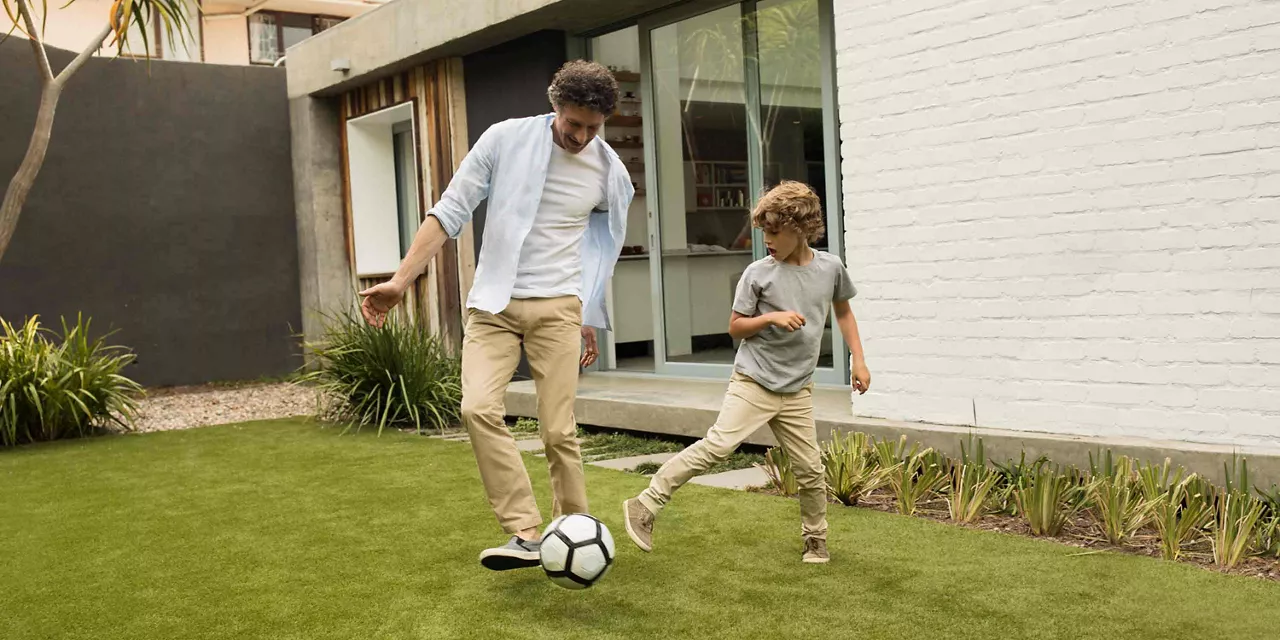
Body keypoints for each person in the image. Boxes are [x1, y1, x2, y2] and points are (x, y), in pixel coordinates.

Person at [359, 60, 633, 571]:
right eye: (572, 124)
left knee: (558, 431)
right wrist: (401, 280)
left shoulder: (610, 172)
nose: (580, 136)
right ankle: (526, 533)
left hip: (559, 309)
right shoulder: (505, 139)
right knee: (477, 408)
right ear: (555, 108)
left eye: (592, 128)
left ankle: (575, 531)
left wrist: (589, 313)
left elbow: (601, 248)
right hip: (494, 305)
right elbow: (450, 210)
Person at [621, 181, 870, 564]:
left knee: (810, 469)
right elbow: (735, 327)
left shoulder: (830, 268)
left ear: (800, 228)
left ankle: (815, 539)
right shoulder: (758, 274)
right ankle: (644, 504)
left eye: (774, 231)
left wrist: (859, 360)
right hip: (754, 380)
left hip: (797, 388)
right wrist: (770, 317)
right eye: (764, 231)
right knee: (718, 446)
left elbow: (843, 312)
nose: (767, 239)